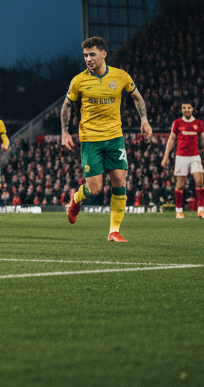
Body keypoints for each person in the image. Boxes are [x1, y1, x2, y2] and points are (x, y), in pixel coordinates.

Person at [61, 36, 152, 242]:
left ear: (104, 54)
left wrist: (144, 120)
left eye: (92, 54)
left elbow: (137, 96)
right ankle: (75, 200)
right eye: (85, 55)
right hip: (90, 140)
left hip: (114, 138)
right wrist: (65, 132)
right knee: (94, 189)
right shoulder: (78, 80)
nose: (88, 59)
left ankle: (114, 231)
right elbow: (67, 106)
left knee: (120, 181)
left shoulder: (120, 76)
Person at [160, 102, 204, 220]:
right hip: (181, 157)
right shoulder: (177, 123)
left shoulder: (198, 123)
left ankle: (201, 210)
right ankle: (179, 211)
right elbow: (171, 140)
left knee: (200, 181)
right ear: (181, 110)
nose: (186, 110)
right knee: (180, 184)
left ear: (192, 109)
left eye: (188, 108)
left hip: (195, 156)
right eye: (184, 108)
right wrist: (165, 156)